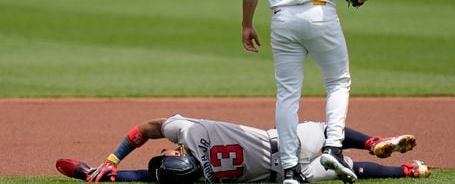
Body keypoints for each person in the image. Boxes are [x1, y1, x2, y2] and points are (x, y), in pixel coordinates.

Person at [241, 0, 372, 183]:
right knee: (337, 81)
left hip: (282, 19)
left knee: (287, 94)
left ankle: (289, 170)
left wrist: (247, 25)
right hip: (319, 13)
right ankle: (333, 147)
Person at [56, 114, 430, 183]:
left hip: (285, 174)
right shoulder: (193, 133)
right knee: (329, 132)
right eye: (168, 155)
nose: (166, 153)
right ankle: (373, 141)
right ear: (180, 154)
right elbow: (146, 129)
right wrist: (112, 159)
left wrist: (105, 174)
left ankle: (410, 171)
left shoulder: (203, 182)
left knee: (345, 167)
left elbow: (145, 177)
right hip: (282, 141)